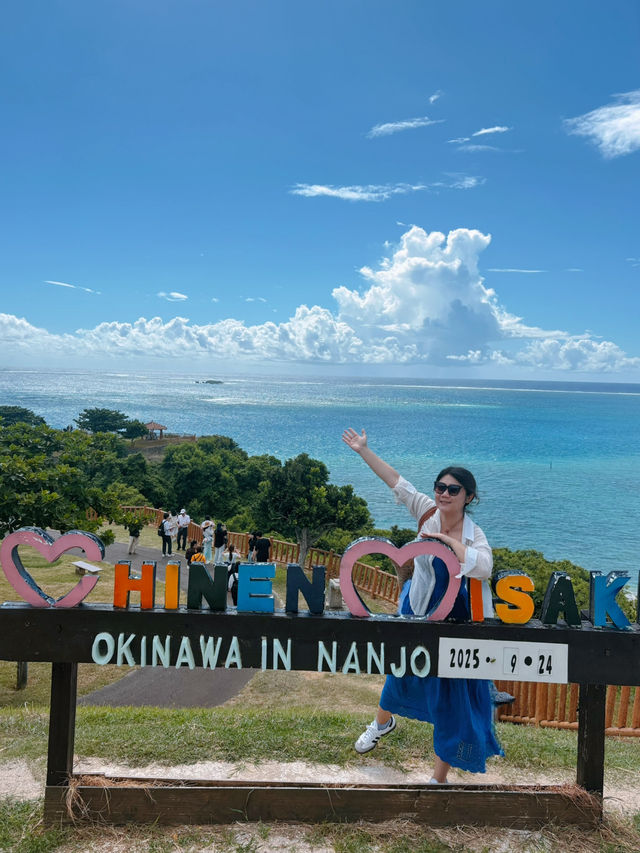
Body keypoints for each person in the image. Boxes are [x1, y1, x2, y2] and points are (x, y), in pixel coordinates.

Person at [342, 427, 503, 784]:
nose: (444, 494)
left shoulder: (473, 533)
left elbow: (484, 566)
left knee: (451, 696)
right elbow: (396, 482)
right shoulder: (426, 511)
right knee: (399, 672)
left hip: (457, 618)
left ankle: (438, 776)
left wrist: (446, 540)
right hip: (418, 607)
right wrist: (362, 450)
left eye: (453, 490)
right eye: (440, 487)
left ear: (468, 497)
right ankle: (382, 724)